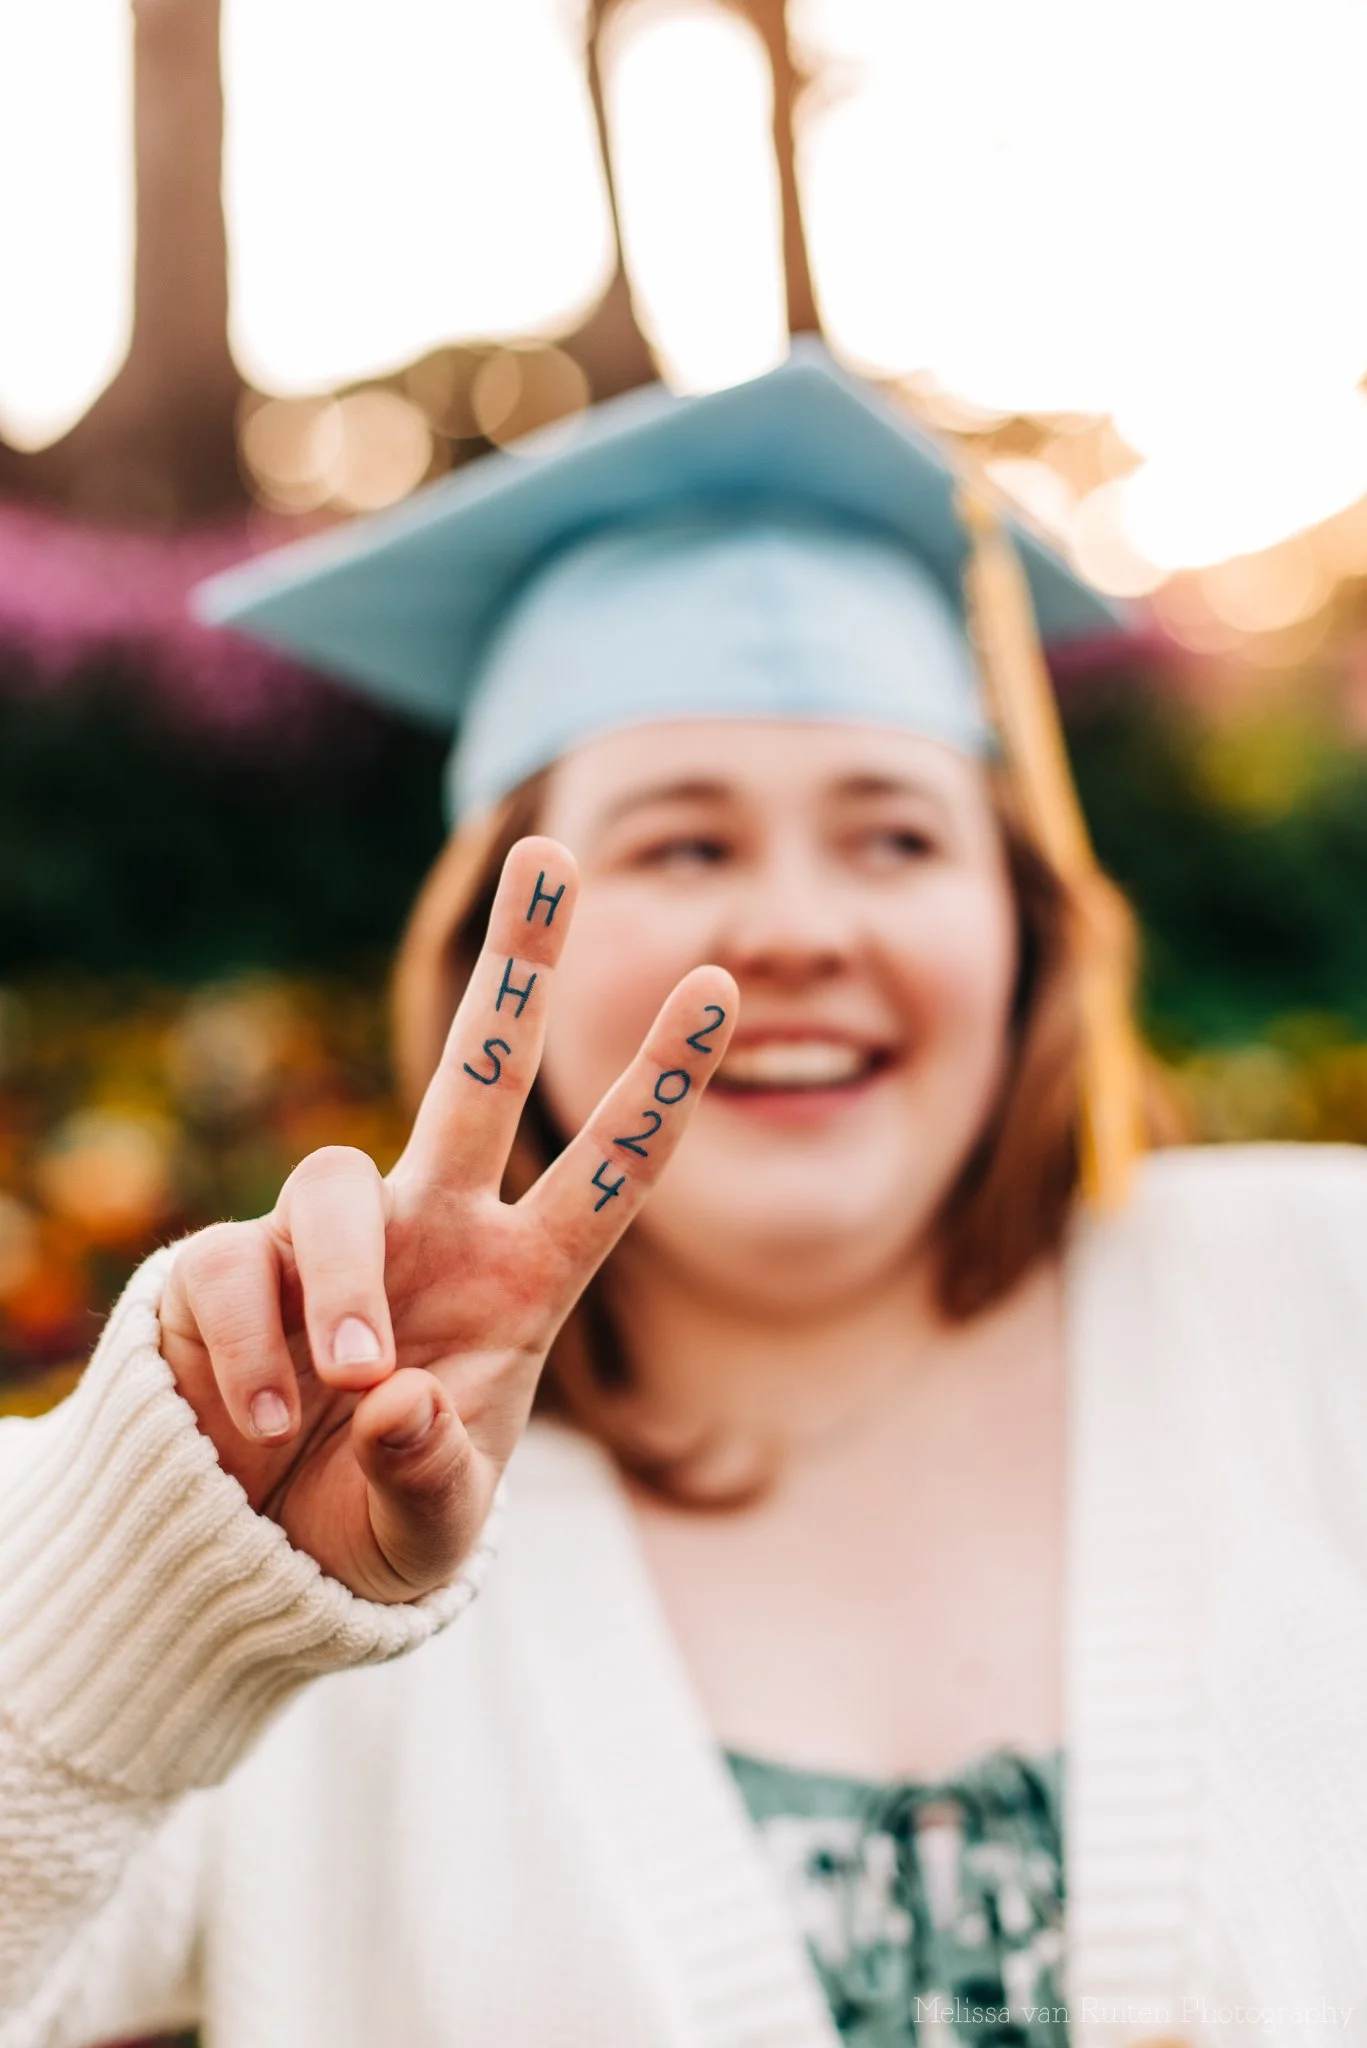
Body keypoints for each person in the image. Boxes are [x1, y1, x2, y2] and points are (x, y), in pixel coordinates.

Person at [3, 345, 1367, 2048]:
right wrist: (144, 1597)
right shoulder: (285, 1528)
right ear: (496, 957)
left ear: (1025, 923)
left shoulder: (1328, 1311)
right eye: (683, 845)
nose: (798, 928)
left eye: (893, 837)